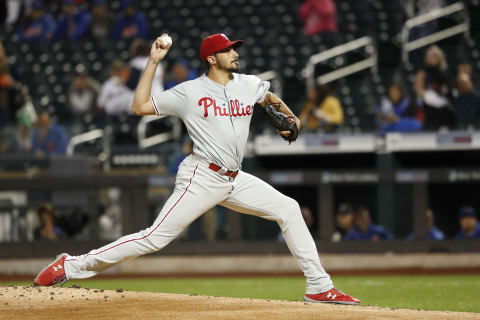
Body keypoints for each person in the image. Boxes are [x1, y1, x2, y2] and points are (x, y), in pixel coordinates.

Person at [34, 32, 360, 305]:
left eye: (234, 48)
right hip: (201, 176)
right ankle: (72, 265)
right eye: (227, 50)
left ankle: (319, 286)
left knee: (288, 208)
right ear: (211, 59)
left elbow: (269, 98)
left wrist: (290, 118)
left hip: (234, 179)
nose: (234, 53)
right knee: (154, 239)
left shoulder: (247, 84)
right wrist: (153, 62)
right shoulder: (189, 92)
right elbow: (139, 107)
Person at [414, 45, 455, 130]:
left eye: (433, 56)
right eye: (428, 56)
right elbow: (419, 91)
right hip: (429, 115)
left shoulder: (444, 74)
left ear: (439, 58)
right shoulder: (423, 72)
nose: (429, 58)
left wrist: (426, 94)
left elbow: (446, 98)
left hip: (444, 116)